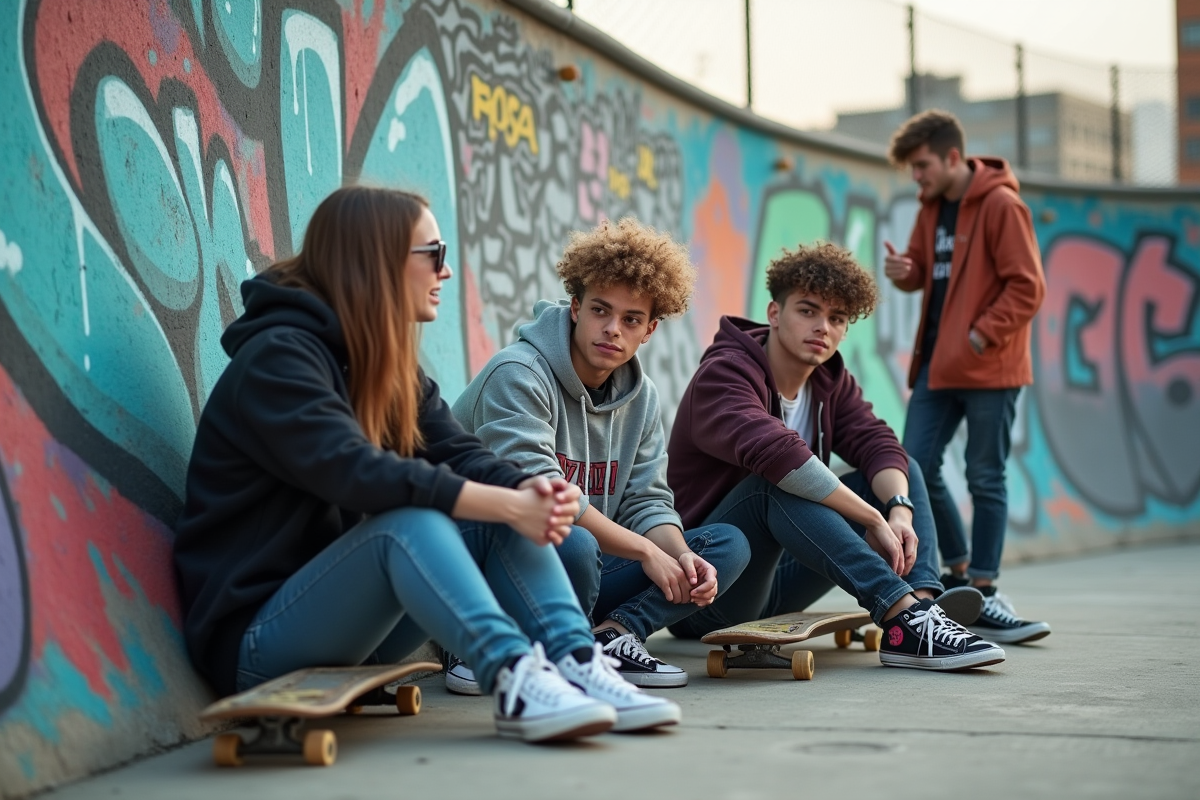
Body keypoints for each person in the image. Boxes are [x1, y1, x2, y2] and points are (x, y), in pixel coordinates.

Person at [173, 187, 680, 743]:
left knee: (496, 512)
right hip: (257, 645)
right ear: (380, 258)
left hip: (354, 627)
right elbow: (357, 474)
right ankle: (511, 674)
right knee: (409, 525)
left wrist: (531, 495)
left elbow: (460, 452)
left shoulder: (381, 362)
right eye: (433, 254)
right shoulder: (279, 358)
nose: (446, 270)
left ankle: (577, 661)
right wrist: (505, 501)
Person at [667, 242, 1003, 672]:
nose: (822, 327)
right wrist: (872, 518)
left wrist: (898, 511)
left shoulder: (829, 382)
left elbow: (879, 443)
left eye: (837, 318)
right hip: (709, 592)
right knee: (776, 486)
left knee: (902, 469)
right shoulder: (725, 373)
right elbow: (779, 455)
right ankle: (900, 614)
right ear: (774, 313)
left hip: (778, 582)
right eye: (807, 311)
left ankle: (921, 608)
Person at [448, 218, 750, 691]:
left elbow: (646, 500)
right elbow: (544, 496)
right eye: (600, 311)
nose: (612, 330)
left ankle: (610, 637)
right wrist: (646, 551)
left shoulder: (641, 397)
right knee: (573, 540)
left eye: (631, 320)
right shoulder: (517, 374)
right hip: (490, 565)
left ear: (649, 330)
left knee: (724, 546)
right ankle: (483, 640)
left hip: (578, 571)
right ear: (575, 307)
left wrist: (676, 553)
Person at [883, 110, 1050, 644]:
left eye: (923, 165)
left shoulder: (1002, 204)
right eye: (912, 168)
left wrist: (981, 334)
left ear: (953, 157)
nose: (917, 177)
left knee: (984, 476)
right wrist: (907, 274)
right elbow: (924, 272)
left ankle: (986, 588)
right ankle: (958, 574)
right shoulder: (931, 210)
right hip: (937, 364)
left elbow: (1028, 287)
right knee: (914, 465)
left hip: (988, 365)